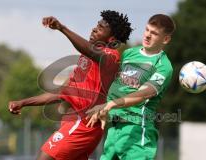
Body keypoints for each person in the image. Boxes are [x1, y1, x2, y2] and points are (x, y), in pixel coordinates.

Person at [8, 10, 132, 160]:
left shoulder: (111, 58)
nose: (94, 28)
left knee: (44, 157)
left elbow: (91, 51)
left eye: (100, 28)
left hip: (83, 124)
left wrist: (62, 28)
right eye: (96, 25)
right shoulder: (87, 59)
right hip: (74, 123)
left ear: (112, 40)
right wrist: (23, 102)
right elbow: (62, 93)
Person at [86, 14, 176, 160]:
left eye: (154, 33)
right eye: (147, 30)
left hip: (137, 129)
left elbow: (143, 94)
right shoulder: (129, 53)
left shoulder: (163, 66)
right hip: (114, 128)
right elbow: (115, 85)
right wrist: (102, 107)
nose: (147, 35)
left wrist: (109, 105)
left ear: (165, 39)